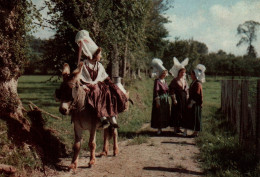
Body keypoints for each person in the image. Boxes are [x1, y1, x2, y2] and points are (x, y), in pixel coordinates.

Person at [75, 30, 128, 128]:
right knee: (96, 91)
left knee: (108, 91)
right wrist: (83, 86)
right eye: (99, 54)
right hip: (89, 87)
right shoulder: (84, 65)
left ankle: (112, 117)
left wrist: (112, 85)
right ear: (94, 55)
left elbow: (105, 77)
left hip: (98, 85)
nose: (101, 56)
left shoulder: (99, 65)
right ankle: (102, 117)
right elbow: (79, 78)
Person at [183, 64, 206, 136]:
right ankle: (194, 132)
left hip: (195, 103)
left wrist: (191, 103)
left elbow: (197, 94)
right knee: (192, 117)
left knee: (196, 117)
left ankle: (196, 132)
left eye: (192, 74)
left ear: (196, 75)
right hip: (192, 102)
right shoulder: (194, 82)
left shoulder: (198, 84)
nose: (191, 75)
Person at [168, 57, 189, 134]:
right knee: (176, 112)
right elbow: (171, 90)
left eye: (184, 72)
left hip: (183, 98)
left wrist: (187, 95)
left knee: (182, 112)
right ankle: (175, 127)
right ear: (178, 72)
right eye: (181, 72)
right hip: (177, 98)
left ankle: (179, 127)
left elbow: (186, 89)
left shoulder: (184, 80)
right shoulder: (175, 80)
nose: (183, 73)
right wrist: (174, 99)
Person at [150, 58, 171, 135]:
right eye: (162, 73)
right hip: (159, 99)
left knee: (164, 113)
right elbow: (156, 91)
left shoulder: (164, 81)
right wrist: (157, 101)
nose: (164, 75)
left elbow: (167, 89)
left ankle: (163, 126)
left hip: (165, 99)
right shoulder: (157, 81)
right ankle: (159, 128)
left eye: (165, 74)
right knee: (159, 113)